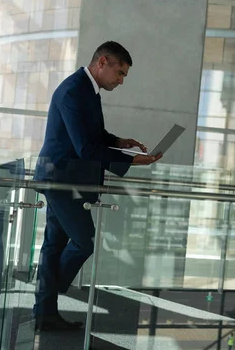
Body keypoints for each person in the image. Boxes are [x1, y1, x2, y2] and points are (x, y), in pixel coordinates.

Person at [32, 41, 162, 331]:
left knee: (54, 246)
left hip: (67, 178)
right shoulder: (74, 91)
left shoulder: (88, 90)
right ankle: (49, 294)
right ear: (102, 62)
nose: (121, 80)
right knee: (83, 241)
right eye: (120, 73)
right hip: (60, 180)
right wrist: (131, 162)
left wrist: (119, 142)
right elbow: (85, 149)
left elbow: (95, 135)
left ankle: (45, 314)